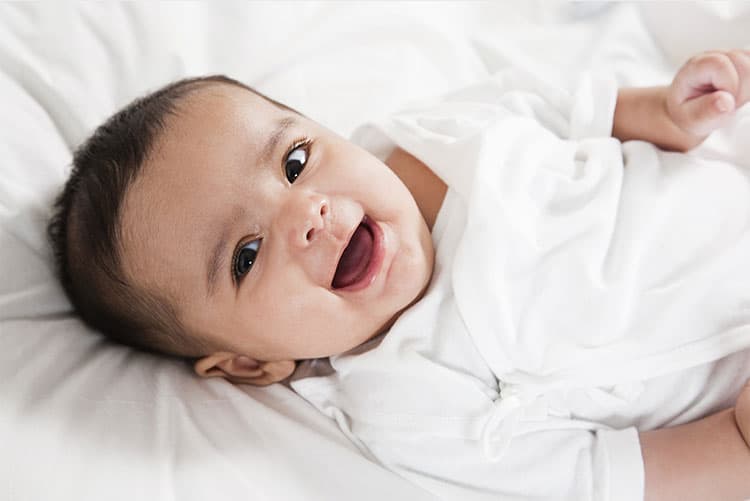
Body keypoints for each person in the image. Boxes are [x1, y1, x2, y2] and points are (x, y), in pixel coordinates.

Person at [47, 49, 750, 500]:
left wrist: (661, 111)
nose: (307, 214)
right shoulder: (408, 402)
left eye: (294, 161)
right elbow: (604, 478)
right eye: (246, 255)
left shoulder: (429, 137)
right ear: (248, 361)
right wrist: (735, 445)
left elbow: (560, 113)